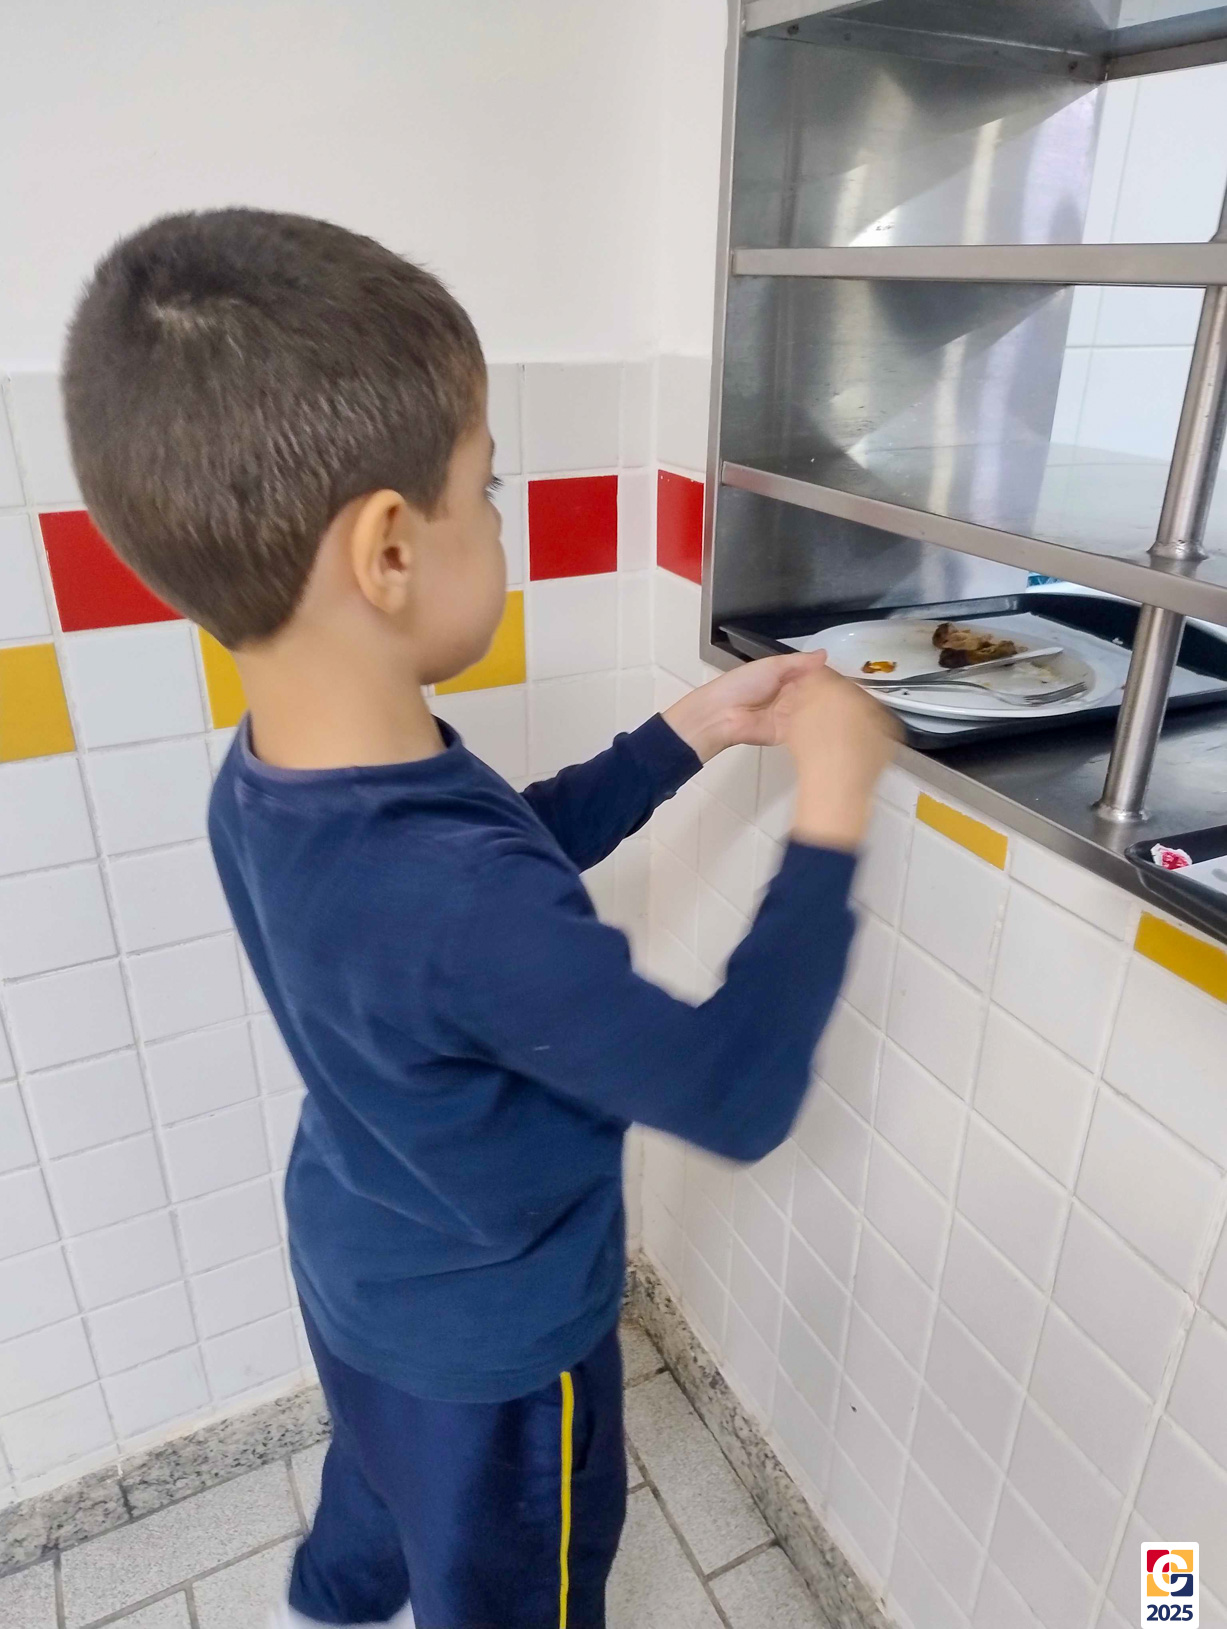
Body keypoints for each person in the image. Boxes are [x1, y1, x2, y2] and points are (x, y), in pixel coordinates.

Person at [62, 208, 896, 1629]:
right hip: (499, 1354)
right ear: (391, 549)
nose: (500, 516)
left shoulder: (273, 781)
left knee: (382, 1477)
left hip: (359, 1262)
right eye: (487, 486)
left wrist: (685, 732)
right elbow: (734, 1091)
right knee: (511, 1580)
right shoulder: (453, 897)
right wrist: (833, 806)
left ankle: (337, 1594)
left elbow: (498, 863)